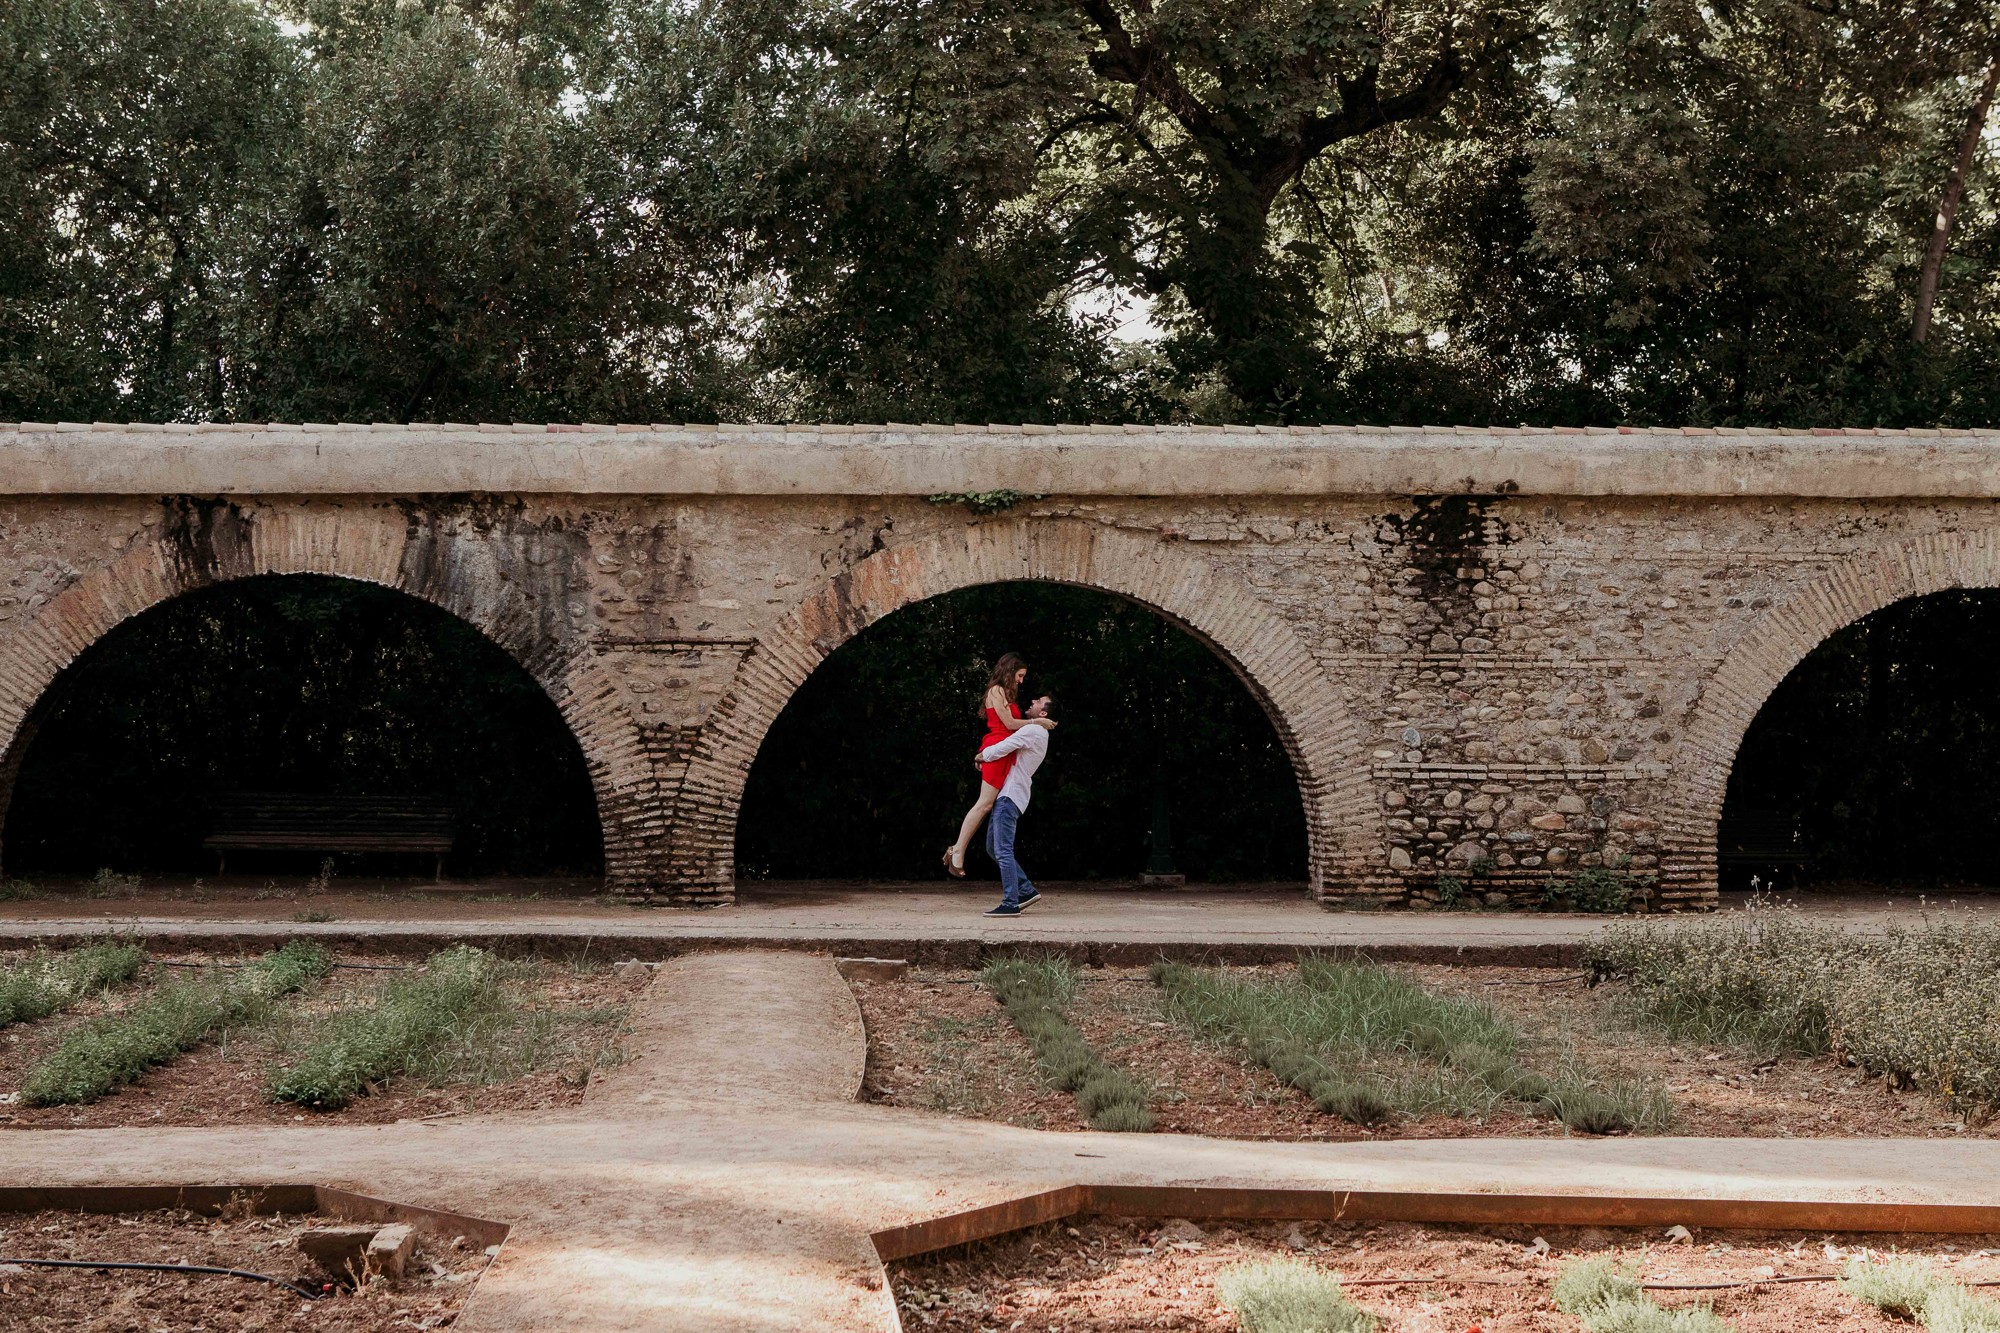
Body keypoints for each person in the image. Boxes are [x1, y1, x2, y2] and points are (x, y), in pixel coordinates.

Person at [942, 653, 1054, 878]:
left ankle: (957, 849)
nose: (1021, 681)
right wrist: (1036, 721)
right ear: (1009, 671)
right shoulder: (996, 691)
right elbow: (1010, 724)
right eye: (1020, 675)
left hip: (1004, 749)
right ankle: (958, 851)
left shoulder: (1007, 693)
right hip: (999, 745)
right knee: (984, 804)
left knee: (987, 804)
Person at [975, 694, 1054, 917]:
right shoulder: (1038, 732)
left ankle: (1011, 902)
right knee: (993, 847)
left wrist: (982, 755)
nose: (1033, 701)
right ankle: (1026, 890)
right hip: (1011, 796)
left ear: (1043, 713)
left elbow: (1005, 746)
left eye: (1038, 701)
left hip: (1010, 797)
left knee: (1002, 849)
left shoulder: (1034, 731)